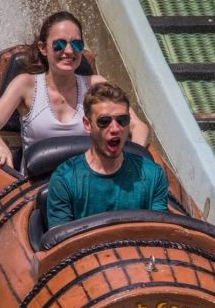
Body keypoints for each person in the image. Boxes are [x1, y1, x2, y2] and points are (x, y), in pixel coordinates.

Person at [0, 11, 150, 168]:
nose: (68, 51)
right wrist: (1, 148)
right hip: (37, 183)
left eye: (76, 44)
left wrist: (132, 156)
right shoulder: (25, 85)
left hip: (87, 180)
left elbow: (139, 126)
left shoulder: (96, 85)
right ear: (42, 48)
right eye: (59, 44)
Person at [47, 82, 167, 228]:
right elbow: (61, 239)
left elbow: (160, 233)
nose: (115, 128)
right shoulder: (64, 180)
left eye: (122, 120)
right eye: (104, 121)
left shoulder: (153, 175)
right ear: (87, 125)